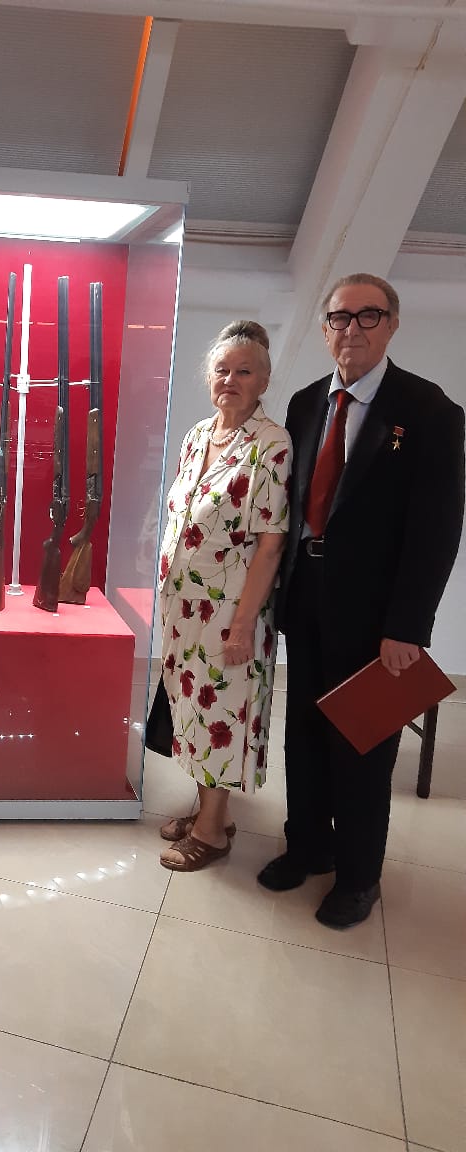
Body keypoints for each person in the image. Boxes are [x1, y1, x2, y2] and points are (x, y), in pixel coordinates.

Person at [258, 273, 465, 928]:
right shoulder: (305, 404)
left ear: (392, 324)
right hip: (306, 595)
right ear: (325, 330)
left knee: (363, 745)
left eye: (367, 315)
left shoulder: (427, 412)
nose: (351, 328)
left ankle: (356, 876)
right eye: (339, 317)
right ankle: (307, 846)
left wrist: (409, 626)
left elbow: (437, 529)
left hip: (378, 617)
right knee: (305, 733)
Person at [157, 321, 291, 871]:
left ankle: (212, 832)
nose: (230, 379)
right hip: (183, 607)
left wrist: (242, 625)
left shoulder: (271, 444)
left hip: (229, 612)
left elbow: (270, 545)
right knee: (192, 711)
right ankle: (209, 811)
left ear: (264, 381)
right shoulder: (197, 435)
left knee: (223, 712)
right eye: (222, 370)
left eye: (244, 371)